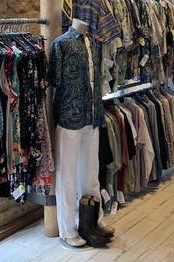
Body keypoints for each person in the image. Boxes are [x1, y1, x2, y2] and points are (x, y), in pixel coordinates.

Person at [49, 18, 114, 248]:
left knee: (91, 173)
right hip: (69, 117)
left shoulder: (94, 44)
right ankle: (67, 229)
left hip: (92, 116)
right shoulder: (61, 44)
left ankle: (92, 222)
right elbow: (54, 82)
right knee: (67, 174)